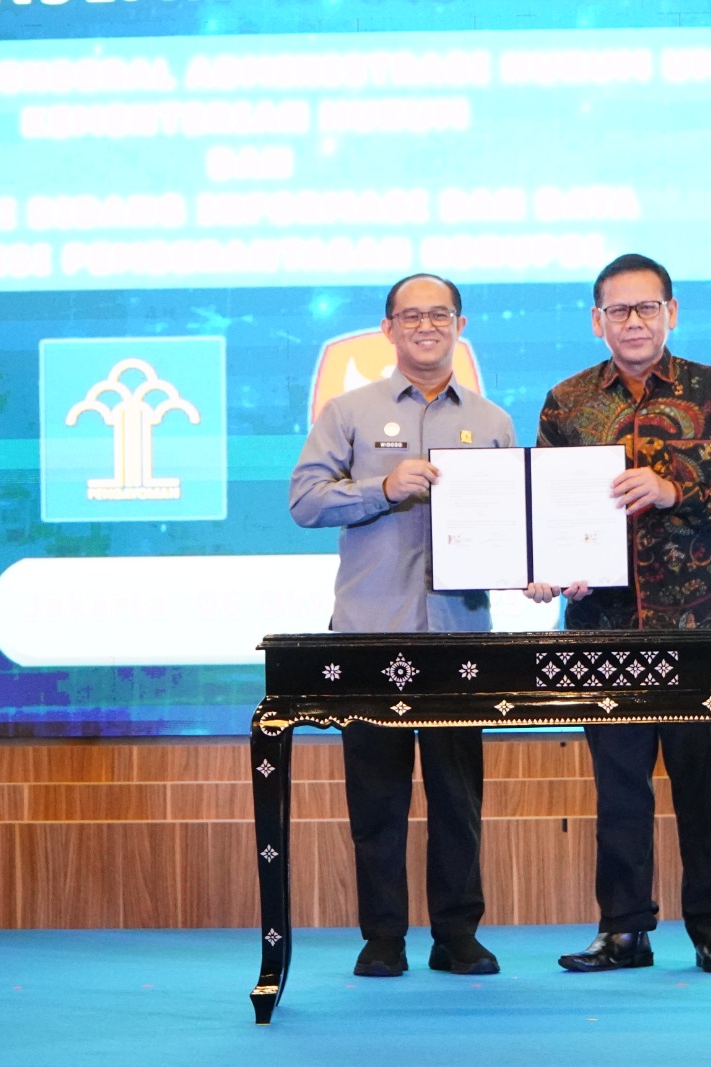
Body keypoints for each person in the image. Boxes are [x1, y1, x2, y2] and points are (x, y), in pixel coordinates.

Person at [525, 253, 711, 974]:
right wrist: (550, 569)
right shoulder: (568, 402)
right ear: (596, 320)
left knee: (705, 789)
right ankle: (623, 930)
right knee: (618, 792)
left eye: (646, 307)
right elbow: (550, 506)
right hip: (604, 630)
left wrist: (675, 493)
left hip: (704, 629)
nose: (632, 321)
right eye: (618, 310)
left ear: (672, 312)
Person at [289, 273, 515, 979]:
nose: (426, 326)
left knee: (458, 796)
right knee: (377, 797)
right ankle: (383, 936)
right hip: (370, 631)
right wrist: (382, 489)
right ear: (388, 329)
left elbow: (514, 525)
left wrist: (537, 566)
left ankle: (457, 935)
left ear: (460, 325)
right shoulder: (348, 412)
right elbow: (304, 501)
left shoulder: (493, 422)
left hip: (459, 636)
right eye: (410, 316)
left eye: (439, 315)